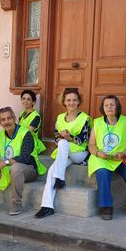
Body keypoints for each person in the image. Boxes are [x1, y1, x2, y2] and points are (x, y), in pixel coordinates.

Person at [0, 107, 46, 215]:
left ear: (14, 118)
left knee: (16, 168)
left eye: (9, 118)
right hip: (7, 168)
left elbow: (25, 157)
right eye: (3, 119)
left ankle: (16, 203)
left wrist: (3, 163)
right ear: (0, 122)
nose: (6, 122)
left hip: (28, 168)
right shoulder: (0, 135)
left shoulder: (25, 133)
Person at [34, 88, 91, 219]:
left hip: (79, 154)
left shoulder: (85, 118)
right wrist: (62, 138)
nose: (71, 103)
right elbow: (56, 137)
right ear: (64, 102)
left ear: (78, 101)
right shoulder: (60, 118)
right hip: (65, 153)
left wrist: (69, 137)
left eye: (74, 100)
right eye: (68, 100)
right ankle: (47, 206)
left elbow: (85, 140)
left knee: (64, 144)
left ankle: (60, 178)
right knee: (51, 170)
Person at [88, 96, 126, 220]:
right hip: (103, 158)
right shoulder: (97, 122)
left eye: (112, 105)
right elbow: (91, 145)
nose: (109, 107)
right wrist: (98, 153)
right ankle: (106, 206)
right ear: (103, 108)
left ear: (117, 107)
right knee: (102, 172)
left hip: (121, 158)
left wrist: (123, 153)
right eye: (106, 105)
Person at [18, 89, 46, 155]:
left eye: (28, 99)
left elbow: (28, 133)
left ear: (33, 102)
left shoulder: (36, 116)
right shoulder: (22, 114)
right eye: (23, 99)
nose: (25, 101)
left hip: (30, 143)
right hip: (20, 140)